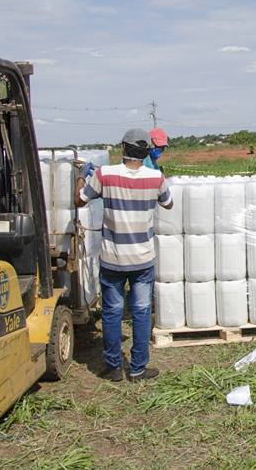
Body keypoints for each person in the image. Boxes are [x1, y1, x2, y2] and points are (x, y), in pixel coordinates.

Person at [75, 128, 173, 382]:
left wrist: (80, 176)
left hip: (112, 258)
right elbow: (168, 203)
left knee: (112, 311)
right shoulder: (155, 177)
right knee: (141, 311)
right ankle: (138, 368)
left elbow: (80, 201)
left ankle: (115, 367)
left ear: (123, 149)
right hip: (142, 258)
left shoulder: (103, 175)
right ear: (145, 151)